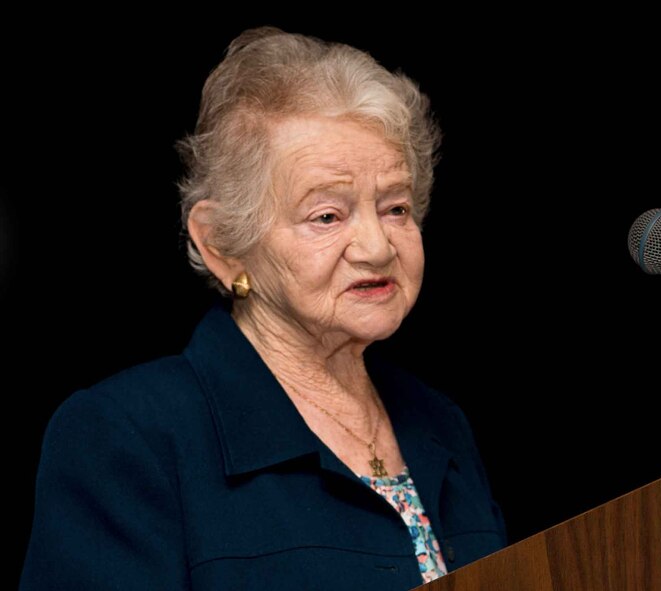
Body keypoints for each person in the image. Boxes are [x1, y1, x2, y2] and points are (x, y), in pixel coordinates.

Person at [20, 26, 506, 590]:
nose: (377, 247)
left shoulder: (439, 422)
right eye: (327, 216)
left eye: (395, 207)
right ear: (222, 245)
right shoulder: (129, 436)